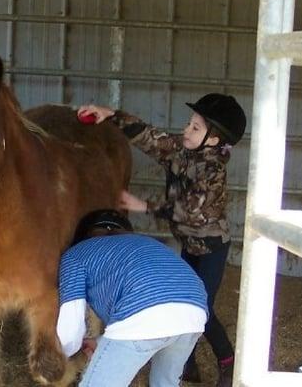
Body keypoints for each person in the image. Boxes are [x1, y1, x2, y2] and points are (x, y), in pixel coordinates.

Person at [78, 93, 246, 387]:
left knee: (201, 309)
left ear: (214, 140)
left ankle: (228, 361)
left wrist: (146, 206)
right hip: (189, 244)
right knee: (186, 302)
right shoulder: (181, 151)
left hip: (210, 247)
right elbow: (150, 137)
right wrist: (111, 114)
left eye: (195, 127)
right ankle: (187, 366)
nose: (186, 130)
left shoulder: (213, 170)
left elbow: (195, 213)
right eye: (189, 123)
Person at [57, 209, 208, 387]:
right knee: (165, 383)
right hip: (194, 309)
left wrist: (63, 353)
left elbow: (70, 327)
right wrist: (100, 343)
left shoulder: (75, 255)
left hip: (143, 310)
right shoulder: (147, 242)